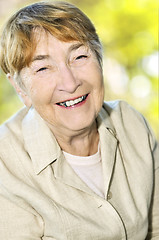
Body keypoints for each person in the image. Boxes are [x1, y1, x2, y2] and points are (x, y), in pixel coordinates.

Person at [0, 1, 158, 239]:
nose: (70, 82)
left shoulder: (131, 123)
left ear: (99, 59)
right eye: (43, 68)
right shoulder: (5, 166)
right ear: (20, 89)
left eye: (79, 56)